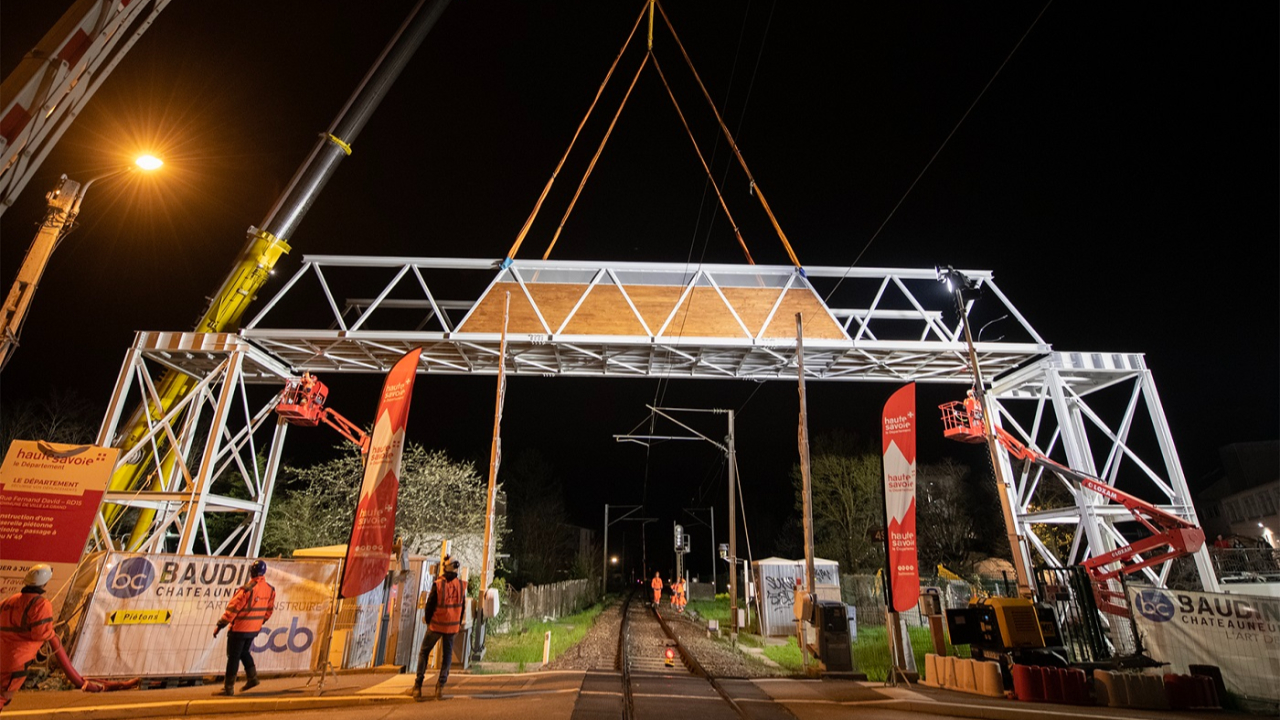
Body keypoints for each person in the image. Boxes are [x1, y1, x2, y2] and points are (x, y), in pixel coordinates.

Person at [212, 560, 275, 697]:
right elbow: (269, 611)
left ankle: (228, 688)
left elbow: (233, 610)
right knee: (244, 651)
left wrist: (220, 625)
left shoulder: (247, 589)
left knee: (233, 656)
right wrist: (258, 622)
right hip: (254, 629)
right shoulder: (270, 589)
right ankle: (252, 678)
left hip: (240, 628)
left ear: (252, 572)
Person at [413, 555, 467, 702]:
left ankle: (418, 686)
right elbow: (462, 607)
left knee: (424, 652)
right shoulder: (461, 586)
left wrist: (429, 621)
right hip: (451, 627)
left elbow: (429, 605)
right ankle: (440, 687)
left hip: (436, 625)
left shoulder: (439, 584)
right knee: (447, 657)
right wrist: (457, 623)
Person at [1, 565, 55, 709]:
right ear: (45, 583)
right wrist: (52, 633)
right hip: (16, 659)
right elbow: (40, 634)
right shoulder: (41, 605)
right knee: (4, 696)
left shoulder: (9, 600)